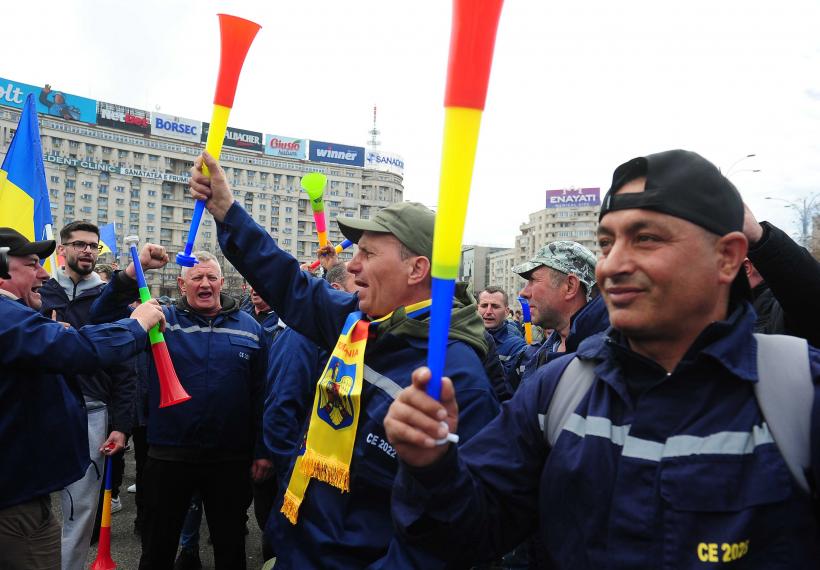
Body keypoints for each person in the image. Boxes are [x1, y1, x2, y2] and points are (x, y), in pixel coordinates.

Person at [384, 149, 820, 568]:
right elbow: (471, 532)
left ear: (726, 257)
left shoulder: (798, 395)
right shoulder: (556, 392)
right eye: (607, 243)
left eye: (646, 239)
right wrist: (432, 468)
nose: (612, 265)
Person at [189, 151, 499, 569]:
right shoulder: (359, 323)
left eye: (369, 254)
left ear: (417, 269)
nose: (351, 264)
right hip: (300, 547)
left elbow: (452, 532)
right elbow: (289, 284)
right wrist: (226, 210)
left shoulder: (456, 377)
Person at [90, 248, 271, 570]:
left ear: (221, 283)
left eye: (212, 277)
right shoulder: (160, 320)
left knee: (230, 547)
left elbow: (261, 395)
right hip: (168, 456)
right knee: (158, 547)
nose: (205, 283)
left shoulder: (250, 328)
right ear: (181, 283)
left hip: (229, 459)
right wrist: (132, 274)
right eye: (197, 277)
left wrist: (261, 450)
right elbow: (101, 317)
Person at [0, 227, 164, 570]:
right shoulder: (10, 315)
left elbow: (97, 328)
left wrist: (127, 279)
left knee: (79, 516)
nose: (42, 273)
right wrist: (135, 327)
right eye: (32, 263)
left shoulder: (27, 304)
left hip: (37, 462)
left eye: (94, 245)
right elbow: (77, 347)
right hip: (15, 492)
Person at [38, 221, 138, 570]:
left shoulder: (108, 301)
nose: (87, 251)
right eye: (79, 244)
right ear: (62, 250)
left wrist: (122, 426)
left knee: (80, 513)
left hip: (92, 413)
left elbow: (126, 371)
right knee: (25, 508)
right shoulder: (39, 294)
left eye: (93, 246)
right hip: (39, 413)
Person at [507, 241, 608, 391]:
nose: (524, 293)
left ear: (570, 286)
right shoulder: (536, 355)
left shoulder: (607, 361)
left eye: (533, 280)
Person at [742, 204, 820, 347]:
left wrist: (759, 236)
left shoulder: (779, 314)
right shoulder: (731, 312)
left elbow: (812, 297)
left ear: (746, 268)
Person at [477, 286, 527, 375]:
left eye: (495, 306)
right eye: (484, 305)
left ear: (507, 311)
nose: (488, 311)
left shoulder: (517, 346)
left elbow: (509, 384)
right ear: (477, 308)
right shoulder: (467, 337)